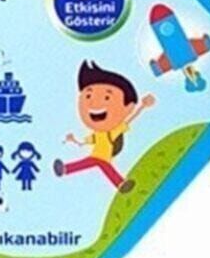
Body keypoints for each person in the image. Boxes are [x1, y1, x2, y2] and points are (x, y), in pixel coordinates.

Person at [53, 61, 155, 193]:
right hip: (95, 156)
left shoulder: (111, 133)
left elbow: (129, 120)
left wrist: (142, 107)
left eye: (107, 97)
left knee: (106, 168)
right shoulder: (97, 134)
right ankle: (65, 169)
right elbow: (83, 142)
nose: (95, 104)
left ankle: (121, 184)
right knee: (86, 164)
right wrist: (73, 140)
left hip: (104, 158)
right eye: (88, 96)